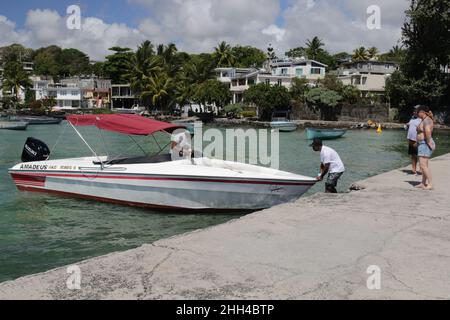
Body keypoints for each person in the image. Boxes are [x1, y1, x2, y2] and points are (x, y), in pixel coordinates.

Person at [415, 105, 435, 190]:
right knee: (424, 165)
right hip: (422, 144)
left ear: (422, 112)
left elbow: (427, 132)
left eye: (417, 112)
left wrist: (428, 143)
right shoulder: (424, 120)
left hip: (425, 144)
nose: (416, 113)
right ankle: (423, 183)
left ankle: (430, 184)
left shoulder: (426, 120)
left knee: (423, 166)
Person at [406, 106, 422, 174]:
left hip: (417, 140)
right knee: (413, 155)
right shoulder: (412, 119)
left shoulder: (421, 120)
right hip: (411, 140)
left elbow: (422, 130)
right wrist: (406, 126)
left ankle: (421, 169)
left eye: (415, 111)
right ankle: (413, 169)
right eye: (414, 111)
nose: (414, 112)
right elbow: (407, 127)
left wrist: (418, 140)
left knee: (420, 155)